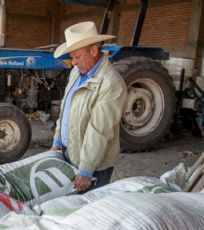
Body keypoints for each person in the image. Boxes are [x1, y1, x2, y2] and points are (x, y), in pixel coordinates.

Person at [51, 21, 127, 193]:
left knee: (85, 211)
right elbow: (66, 109)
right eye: (72, 57)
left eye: (77, 56)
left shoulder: (111, 83)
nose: (73, 62)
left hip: (93, 167)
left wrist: (86, 170)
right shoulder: (76, 73)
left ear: (93, 51)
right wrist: (57, 141)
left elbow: (99, 130)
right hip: (69, 155)